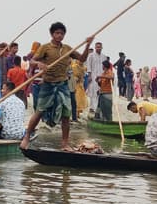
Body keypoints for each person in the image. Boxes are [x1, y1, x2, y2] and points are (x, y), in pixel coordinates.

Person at [20, 22, 93, 151]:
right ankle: (26, 136)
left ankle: (65, 143)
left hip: (63, 84)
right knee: (39, 111)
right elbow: (31, 61)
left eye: (61, 33)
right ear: (52, 34)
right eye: (57, 33)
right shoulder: (45, 48)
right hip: (48, 84)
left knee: (66, 114)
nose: (59, 35)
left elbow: (82, 58)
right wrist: (38, 64)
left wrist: (88, 45)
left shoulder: (67, 49)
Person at [95, 58, 114, 123]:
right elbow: (101, 84)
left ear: (105, 66)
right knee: (101, 109)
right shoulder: (103, 73)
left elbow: (111, 77)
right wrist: (98, 81)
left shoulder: (109, 72)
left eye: (103, 65)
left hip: (107, 94)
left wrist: (100, 77)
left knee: (107, 109)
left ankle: (109, 122)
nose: (102, 67)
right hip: (102, 93)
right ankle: (101, 121)